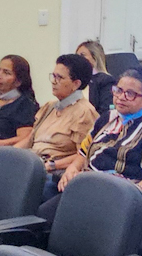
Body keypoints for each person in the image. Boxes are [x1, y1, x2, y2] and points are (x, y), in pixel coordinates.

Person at [38, 65, 142, 222]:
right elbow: (83, 152)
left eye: (130, 94)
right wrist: (71, 169)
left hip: (118, 196)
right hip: (86, 186)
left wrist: (136, 194)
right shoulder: (107, 118)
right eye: (118, 90)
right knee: (40, 200)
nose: (121, 97)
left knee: (47, 221)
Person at [31, 52, 99, 183]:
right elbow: (30, 139)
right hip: (33, 164)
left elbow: (84, 155)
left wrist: (51, 165)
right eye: (53, 76)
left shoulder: (84, 112)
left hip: (53, 173)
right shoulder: (49, 107)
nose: (54, 82)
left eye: (60, 78)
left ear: (76, 84)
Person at [76, 39, 115, 123]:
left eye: (82, 55)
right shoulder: (75, 80)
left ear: (95, 58)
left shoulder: (105, 80)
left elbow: (105, 112)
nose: (78, 59)